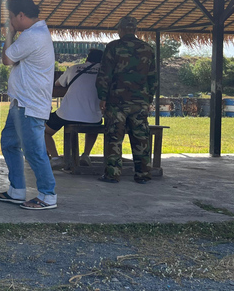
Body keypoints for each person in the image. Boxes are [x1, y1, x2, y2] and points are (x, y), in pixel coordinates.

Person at [0, 0, 57, 210]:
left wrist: (9, 35)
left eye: (11, 18)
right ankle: (17, 190)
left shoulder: (32, 36)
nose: (10, 22)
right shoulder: (36, 33)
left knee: (34, 151)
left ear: (21, 15)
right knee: (10, 143)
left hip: (29, 105)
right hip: (20, 103)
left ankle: (48, 195)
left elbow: (7, 59)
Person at [96, 16, 157, 184]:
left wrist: (102, 97)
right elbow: (153, 78)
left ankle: (112, 174)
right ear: (135, 30)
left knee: (114, 137)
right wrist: (148, 99)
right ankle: (143, 175)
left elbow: (104, 75)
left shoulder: (113, 47)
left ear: (120, 30)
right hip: (140, 102)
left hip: (117, 102)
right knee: (141, 138)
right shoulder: (147, 48)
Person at [44, 49, 104, 167]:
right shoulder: (105, 72)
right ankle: (86, 154)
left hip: (67, 114)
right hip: (93, 117)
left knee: (42, 129)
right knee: (95, 122)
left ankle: (55, 157)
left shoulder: (74, 68)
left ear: (87, 58)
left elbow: (58, 84)